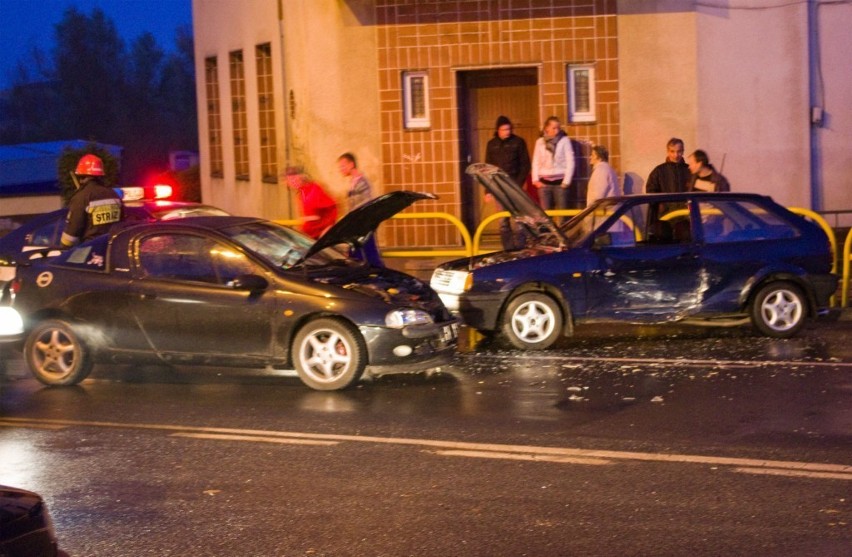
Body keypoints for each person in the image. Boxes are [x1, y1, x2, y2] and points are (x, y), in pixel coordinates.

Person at [484, 115, 531, 250]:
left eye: (509, 129)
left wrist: (518, 184)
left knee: (519, 220)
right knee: (503, 221)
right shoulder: (492, 144)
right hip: (499, 188)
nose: (507, 132)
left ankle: (521, 248)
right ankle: (508, 249)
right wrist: (488, 190)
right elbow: (488, 168)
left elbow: (525, 165)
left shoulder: (518, 142)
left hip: (515, 186)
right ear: (498, 130)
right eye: (504, 129)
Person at [60, 154, 122, 247]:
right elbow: (122, 223)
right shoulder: (114, 194)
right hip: (113, 250)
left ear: (82, 176)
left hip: (91, 251)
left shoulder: (82, 197)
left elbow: (71, 233)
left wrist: (63, 248)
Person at [337, 152, 383, 266]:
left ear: (351, 164)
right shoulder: (355, 181)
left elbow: (363, 205)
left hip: (363, 226)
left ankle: (381, 276)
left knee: (368, 255)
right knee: (361, 255)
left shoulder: (361, 183)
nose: (341, 169)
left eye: (343, 166)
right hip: (359, 226)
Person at [531, 116, 575, 212]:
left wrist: (566, 182)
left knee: (562, 214)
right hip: (544, 184)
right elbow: (536, 161)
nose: (557, 130)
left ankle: (562, 227)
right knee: (546, 215)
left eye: (558, 128)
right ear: (547, 128)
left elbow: (570, 161)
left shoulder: (564, 141)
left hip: (560, 183)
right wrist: (535, 180)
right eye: (554, 128)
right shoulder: (540, 142)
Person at [284, 166, 338, 239]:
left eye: (294, 178)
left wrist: (327, 229)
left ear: (301, 177)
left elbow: (332, 207)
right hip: (310, 236)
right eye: (289, 180)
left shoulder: (314, 188)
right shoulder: (301, 194)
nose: (292, 182)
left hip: (321, 236)